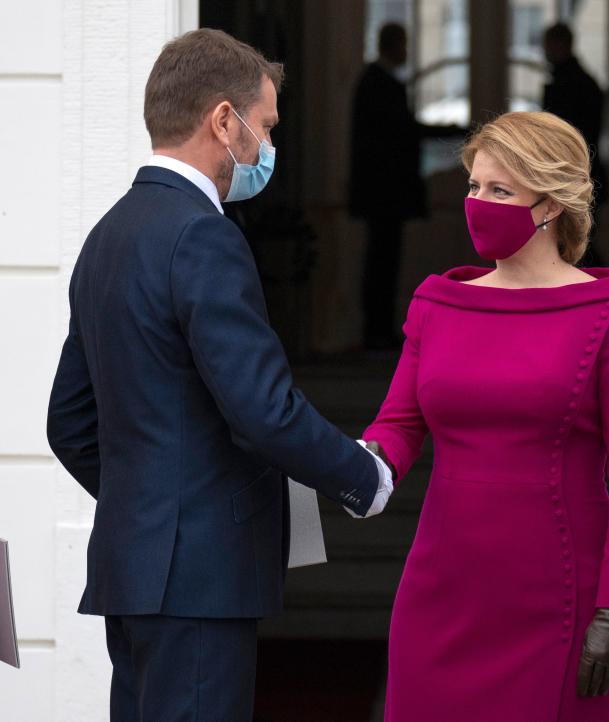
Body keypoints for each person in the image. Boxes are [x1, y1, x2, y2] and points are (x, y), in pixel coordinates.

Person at [46, 29, 392, 722]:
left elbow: (69, 423)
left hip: (134, 568)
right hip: (201, 577)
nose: (267, 149)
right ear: (223, 121)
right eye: (264, 127)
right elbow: (262, 410)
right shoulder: (204, 234)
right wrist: (362, 477)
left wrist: (149, 503)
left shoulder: (107, 234)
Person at [357, 111, 609, 722]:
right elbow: (398, 426)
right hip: (440, 589)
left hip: (559, 598)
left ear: (551, 203)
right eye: (473, 186)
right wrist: (349, 462)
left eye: (500, 190)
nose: (477, 203)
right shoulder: (437, 301)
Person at [349, 22, 462, 349]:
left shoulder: (372, 83)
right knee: (383, 261)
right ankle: (377, 330)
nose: (407, 51)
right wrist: (454, 130)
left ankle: (377, 328)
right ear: (394, 46)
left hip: (381, 192)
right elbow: (403, 132)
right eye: (404, 44)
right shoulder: (381, 85)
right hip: (386, 192)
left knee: (381, 259)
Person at [542, 22, 608, 209]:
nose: (545, 51)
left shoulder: (568, 85)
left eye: (548, 45)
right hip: (581, 170)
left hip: (571, 171)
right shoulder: (582, 81)